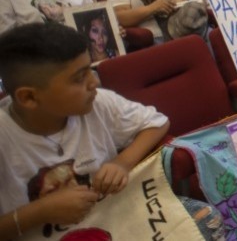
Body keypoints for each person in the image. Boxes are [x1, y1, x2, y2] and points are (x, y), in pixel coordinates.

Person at [0, 23, 170, 238]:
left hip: (112, 222)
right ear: (29, 97)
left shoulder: (97, 103)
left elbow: (157, 123)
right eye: (80, 78)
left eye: (90, 69)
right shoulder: (5, 136)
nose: (95, 82)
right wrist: (39, 212)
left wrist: (122, 163)